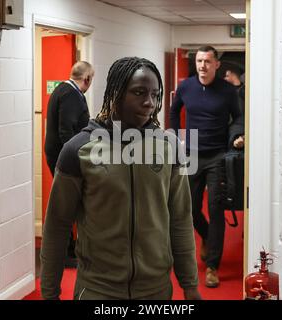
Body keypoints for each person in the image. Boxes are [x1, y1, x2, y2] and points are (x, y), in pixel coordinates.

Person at [40, 57, 201, 300]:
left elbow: (180, 219)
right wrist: (49, 292)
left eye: (155, 94)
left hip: (155, 291)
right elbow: (57, 225)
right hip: (97, 290)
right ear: (115, 93)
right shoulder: (79, 149)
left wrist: (190, 286)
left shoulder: (169, 148)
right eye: (139, 92)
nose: (149, 102)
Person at [170, 46, 244, 288]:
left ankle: (213, 266)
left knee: (216, 209)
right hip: (191, 154)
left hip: (217, 157)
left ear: (216, 65)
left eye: (207, 61)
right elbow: (173, 111)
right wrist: (176, 138)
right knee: (189, 209)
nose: (202, 65)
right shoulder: (186, 87)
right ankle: (207, 237)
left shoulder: (228, 91)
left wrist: (237, 137)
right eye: (199, 61)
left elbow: (239, 118)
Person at [44, 61, 94, 269]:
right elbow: (67, 132)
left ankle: (70, 245)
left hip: (61, 155)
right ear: (87, 79)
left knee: (69, 204)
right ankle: (65, 250)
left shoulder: (63, 89)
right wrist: (78, 160)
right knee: (67, 205)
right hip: (65, 159)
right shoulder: (71, 95)